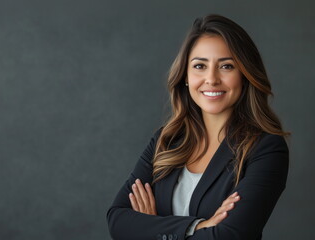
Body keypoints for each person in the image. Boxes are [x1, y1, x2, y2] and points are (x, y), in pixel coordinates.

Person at [106, 14, 289, 240]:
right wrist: (198, 227)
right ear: (185, 76)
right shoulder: (166, 140)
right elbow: (118, 221)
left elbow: (228, 235)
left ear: (245, 75)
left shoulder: (265, 149)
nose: (211, 79)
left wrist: (152, 226)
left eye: (226, 66)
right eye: (200, 66)